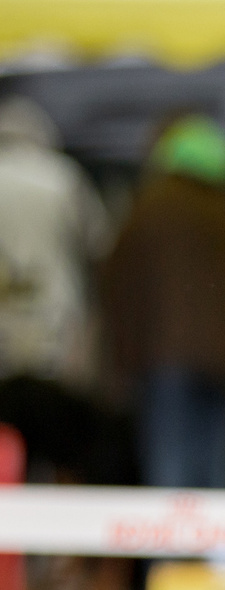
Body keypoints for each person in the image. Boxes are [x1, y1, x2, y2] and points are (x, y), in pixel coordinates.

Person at [102, 115, 225, 488]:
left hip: (164, 357)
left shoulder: (150, 205)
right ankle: (209, 546)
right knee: (217, 465)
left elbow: (116, 282)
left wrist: (121, 359)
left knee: (169, 463)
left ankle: (171, 547)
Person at [0, 96, 108, 390]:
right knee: (52, 408)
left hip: (4, 310)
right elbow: (99, 244)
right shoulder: (64, 177)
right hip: (55, 312)